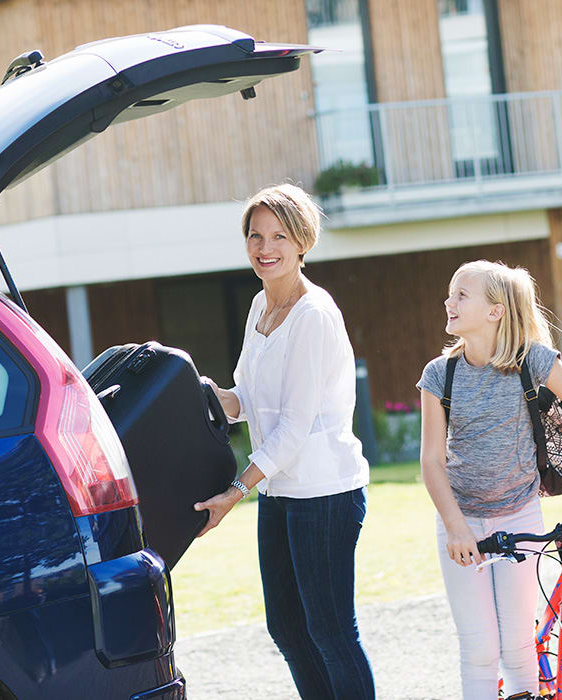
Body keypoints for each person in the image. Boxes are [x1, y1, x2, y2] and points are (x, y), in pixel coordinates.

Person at [416, 260, 562, 699]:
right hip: (461, 522)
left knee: (519, 645)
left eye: (461, 295)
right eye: (450, 294)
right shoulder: (440, 374)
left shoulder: (535, 362)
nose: (448, 302)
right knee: (480, 649)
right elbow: (431, 461)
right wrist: (455, 526)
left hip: (520, 514)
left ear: (495, 311)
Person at [195, 183, 375, 699]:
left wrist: (236, 489)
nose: (264, 247)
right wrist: (193, 391)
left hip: (324, 493)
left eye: (278, 235)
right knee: (289, 631)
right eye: (255, 235)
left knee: (331, 633)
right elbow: (245, 399)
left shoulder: (314, 315)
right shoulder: (259, 307)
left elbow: (294, 427)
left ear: (302, 241)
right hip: (280, 492)